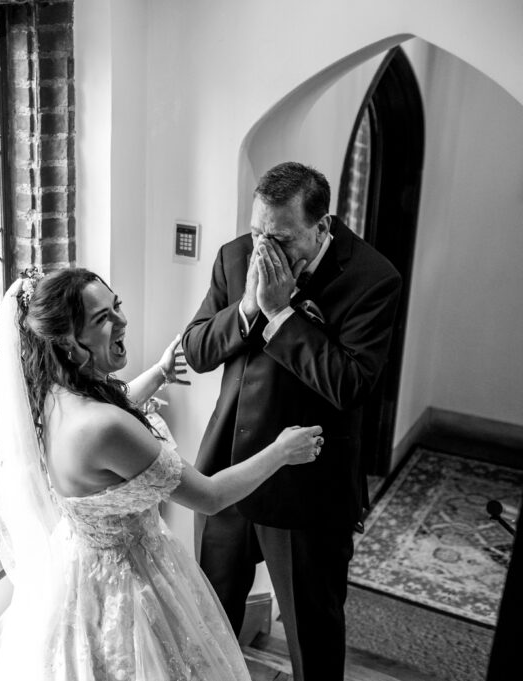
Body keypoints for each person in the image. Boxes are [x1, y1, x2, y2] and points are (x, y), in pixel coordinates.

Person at [0, 266, 323, 681]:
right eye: (103, 318)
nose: (122, 320)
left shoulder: (51, 395)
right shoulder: (104, 428)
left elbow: (111, 417)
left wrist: (158, 373)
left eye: (115, 305)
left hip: (78, 570)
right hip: (129, 582)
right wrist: (281, 451)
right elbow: (209, 496)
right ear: (69, 342)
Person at [183, 162, 402, 681]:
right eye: (257, 230)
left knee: (313, 636)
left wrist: (280, 315)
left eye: (279, 237)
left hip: (309, 488)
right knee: (210, 617)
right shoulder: (236, 256)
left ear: (321, 227)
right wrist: (245, 311)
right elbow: (196, 350)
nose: (263, 248)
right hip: (230, 477)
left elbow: (350, 384)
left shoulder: (374, 279)